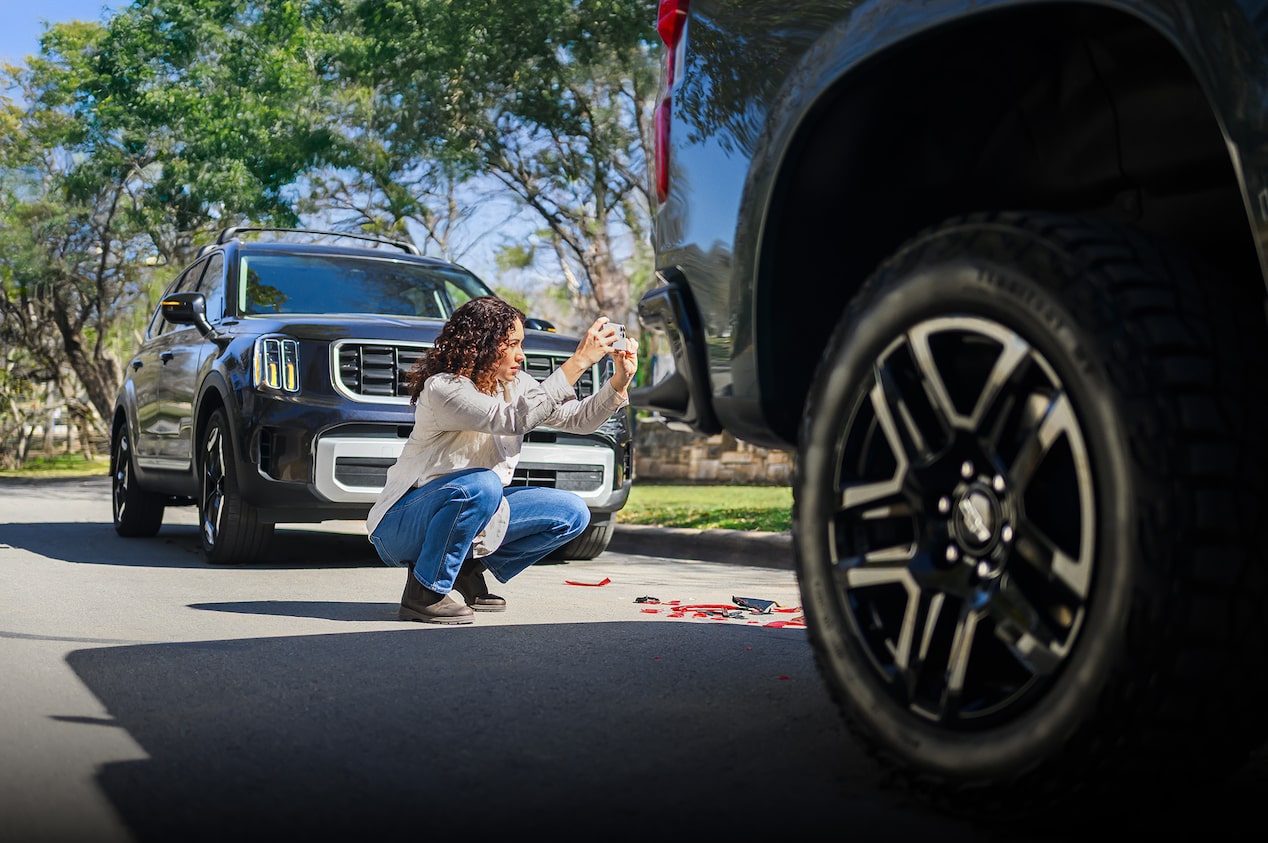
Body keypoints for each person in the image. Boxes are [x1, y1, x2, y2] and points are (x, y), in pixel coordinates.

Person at [365, 296, 638, 624]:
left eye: (521, 344)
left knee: (571, 513)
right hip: (401, 524)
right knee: (481, 484)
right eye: (512, 344)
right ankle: (424, 592)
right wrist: (578, 361)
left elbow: (576, 419)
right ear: (481, 344)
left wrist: (619, 381)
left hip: (472, 504)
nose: (521, 355)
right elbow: (510, 420)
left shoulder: (515, 384)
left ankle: (465, 567)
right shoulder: (444, 388)